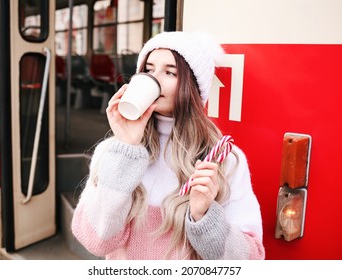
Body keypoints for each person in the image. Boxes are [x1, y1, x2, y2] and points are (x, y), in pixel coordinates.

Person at [71, 31, 265, 260]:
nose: (153, 79)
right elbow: (96, 241)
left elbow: (250, 259)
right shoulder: (113, 152)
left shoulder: (223, 159)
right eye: (148, 70)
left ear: (192, 87)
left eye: (169, 72)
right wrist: (126, 146)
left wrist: (204, 216)